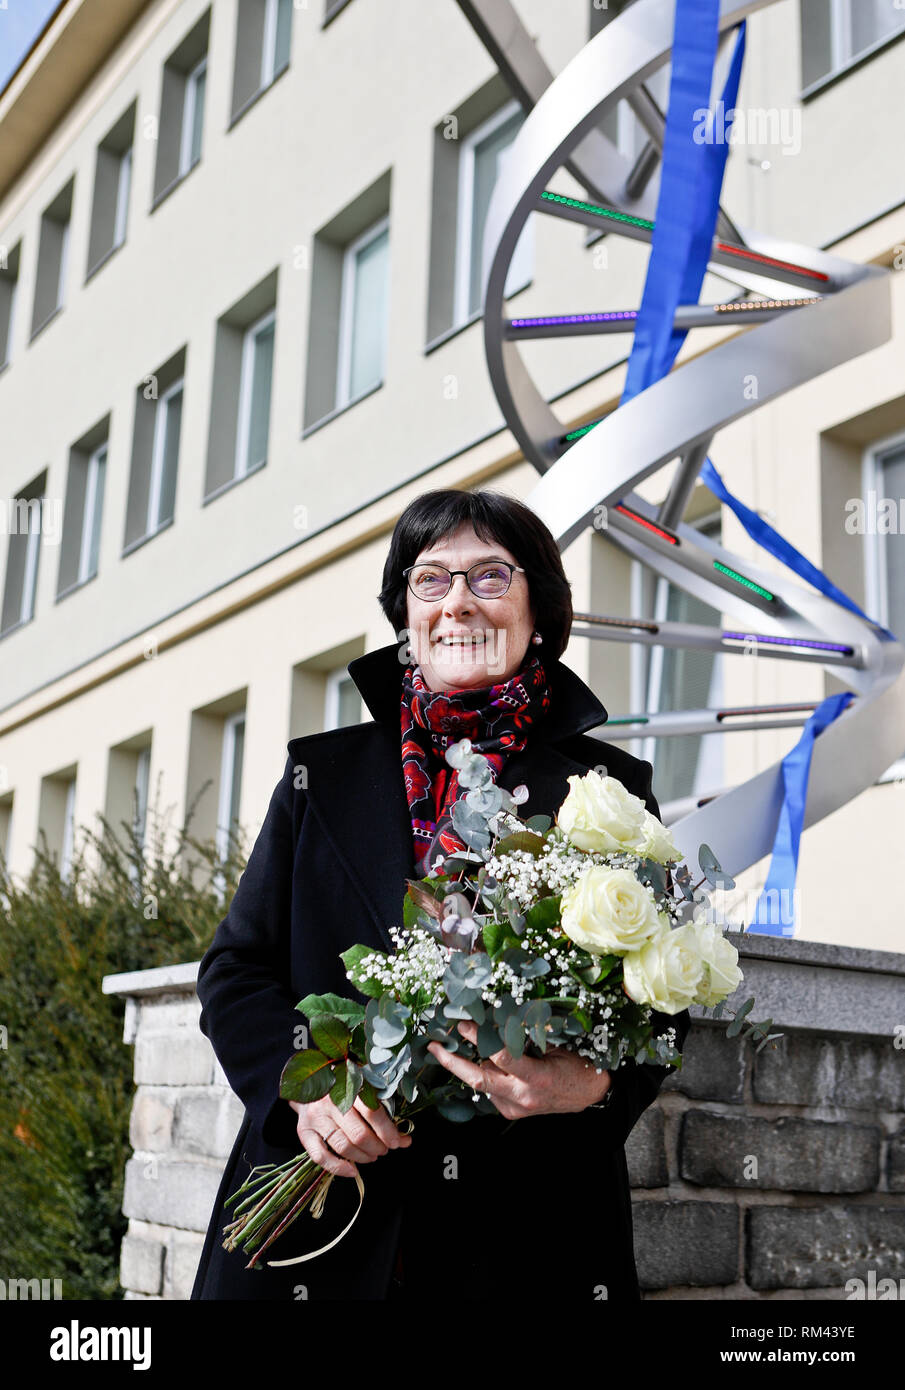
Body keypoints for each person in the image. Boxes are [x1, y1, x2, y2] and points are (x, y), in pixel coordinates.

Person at [190, 488, 691, 1302]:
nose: (457, 600)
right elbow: (236, 967)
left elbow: (661, 1003)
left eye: (491, 577)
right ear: (406, 614)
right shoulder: (320, 773)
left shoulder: (612, 791)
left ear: (541, 613)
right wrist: (307, 1091)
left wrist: (594, 1087)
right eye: (431, 579)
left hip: (527, 1233)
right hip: (323, 1214)